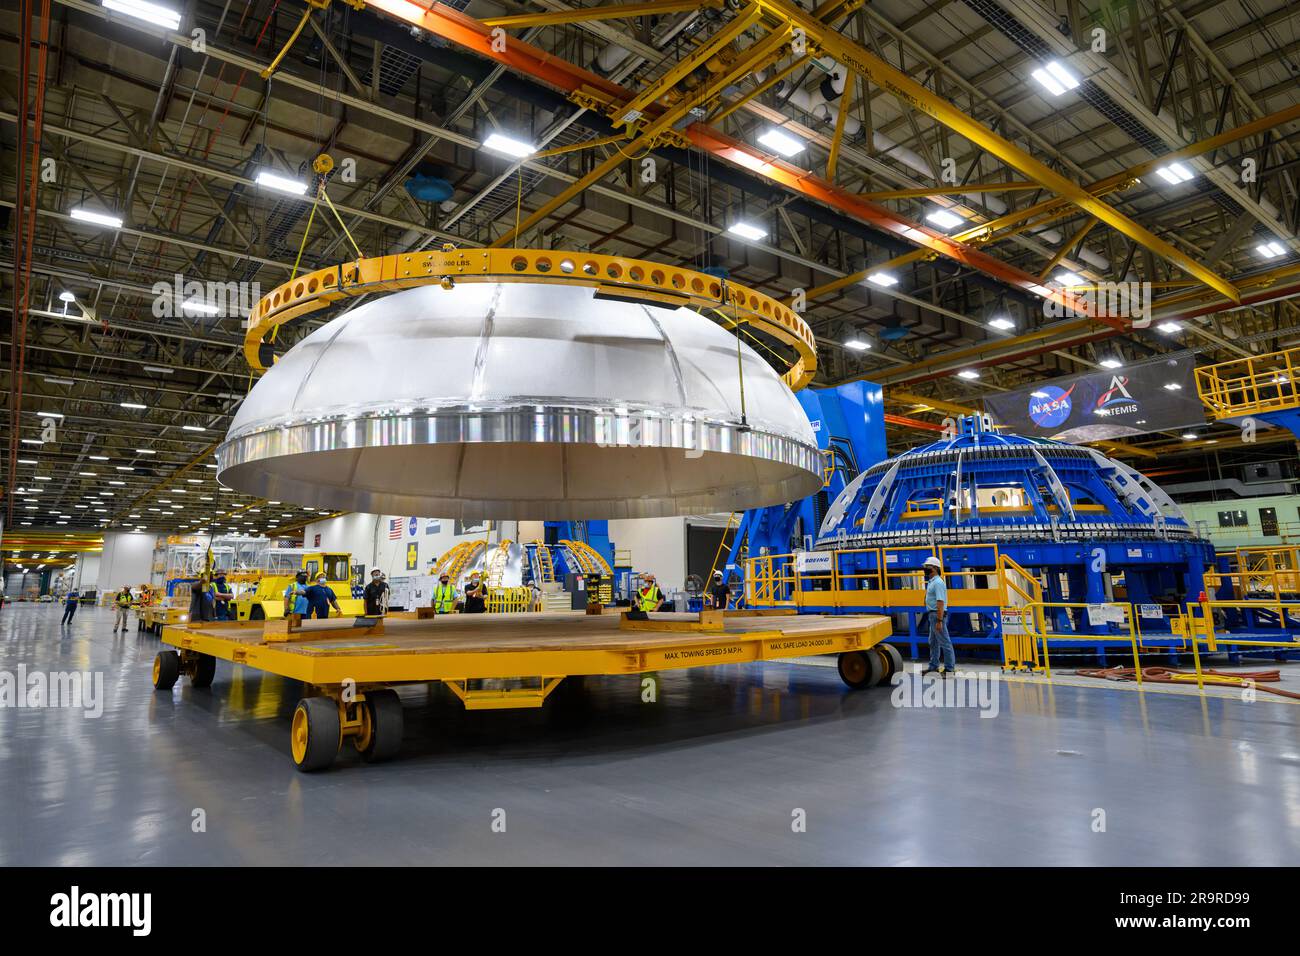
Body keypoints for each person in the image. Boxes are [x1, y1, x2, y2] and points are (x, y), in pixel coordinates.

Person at [921, 555, 956, 676]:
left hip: (937, 615)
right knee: (933, 642)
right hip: (932, 615)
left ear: (935, 568)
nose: (925, 569)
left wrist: (940, 620)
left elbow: (940, 602)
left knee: (945, 642)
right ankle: (933, 666)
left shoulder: (938, 583)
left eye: (927, 567)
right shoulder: (932, 582)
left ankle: (949, 669)